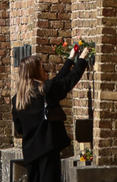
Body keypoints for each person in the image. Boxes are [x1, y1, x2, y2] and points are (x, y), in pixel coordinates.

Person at [12, 47, 90, 182]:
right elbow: (69, 80)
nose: (44, 70)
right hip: (47, 149)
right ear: (35, 71)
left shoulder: (17, 99)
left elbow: (19, 128)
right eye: (41, 67)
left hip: (30, 152)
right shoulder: (45, 90)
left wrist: (70, 60)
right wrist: (82, 59)